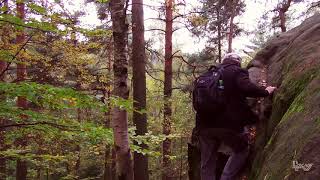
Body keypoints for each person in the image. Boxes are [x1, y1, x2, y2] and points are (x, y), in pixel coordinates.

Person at [195, 53, 276, 180]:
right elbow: (247, 87)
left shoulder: (208, 75)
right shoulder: (236, 71)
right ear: (237, 61)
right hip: (228, 125)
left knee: (207, 163)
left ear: (224, 61)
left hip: (204, 126)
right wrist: (265, 91)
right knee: (241, 150)